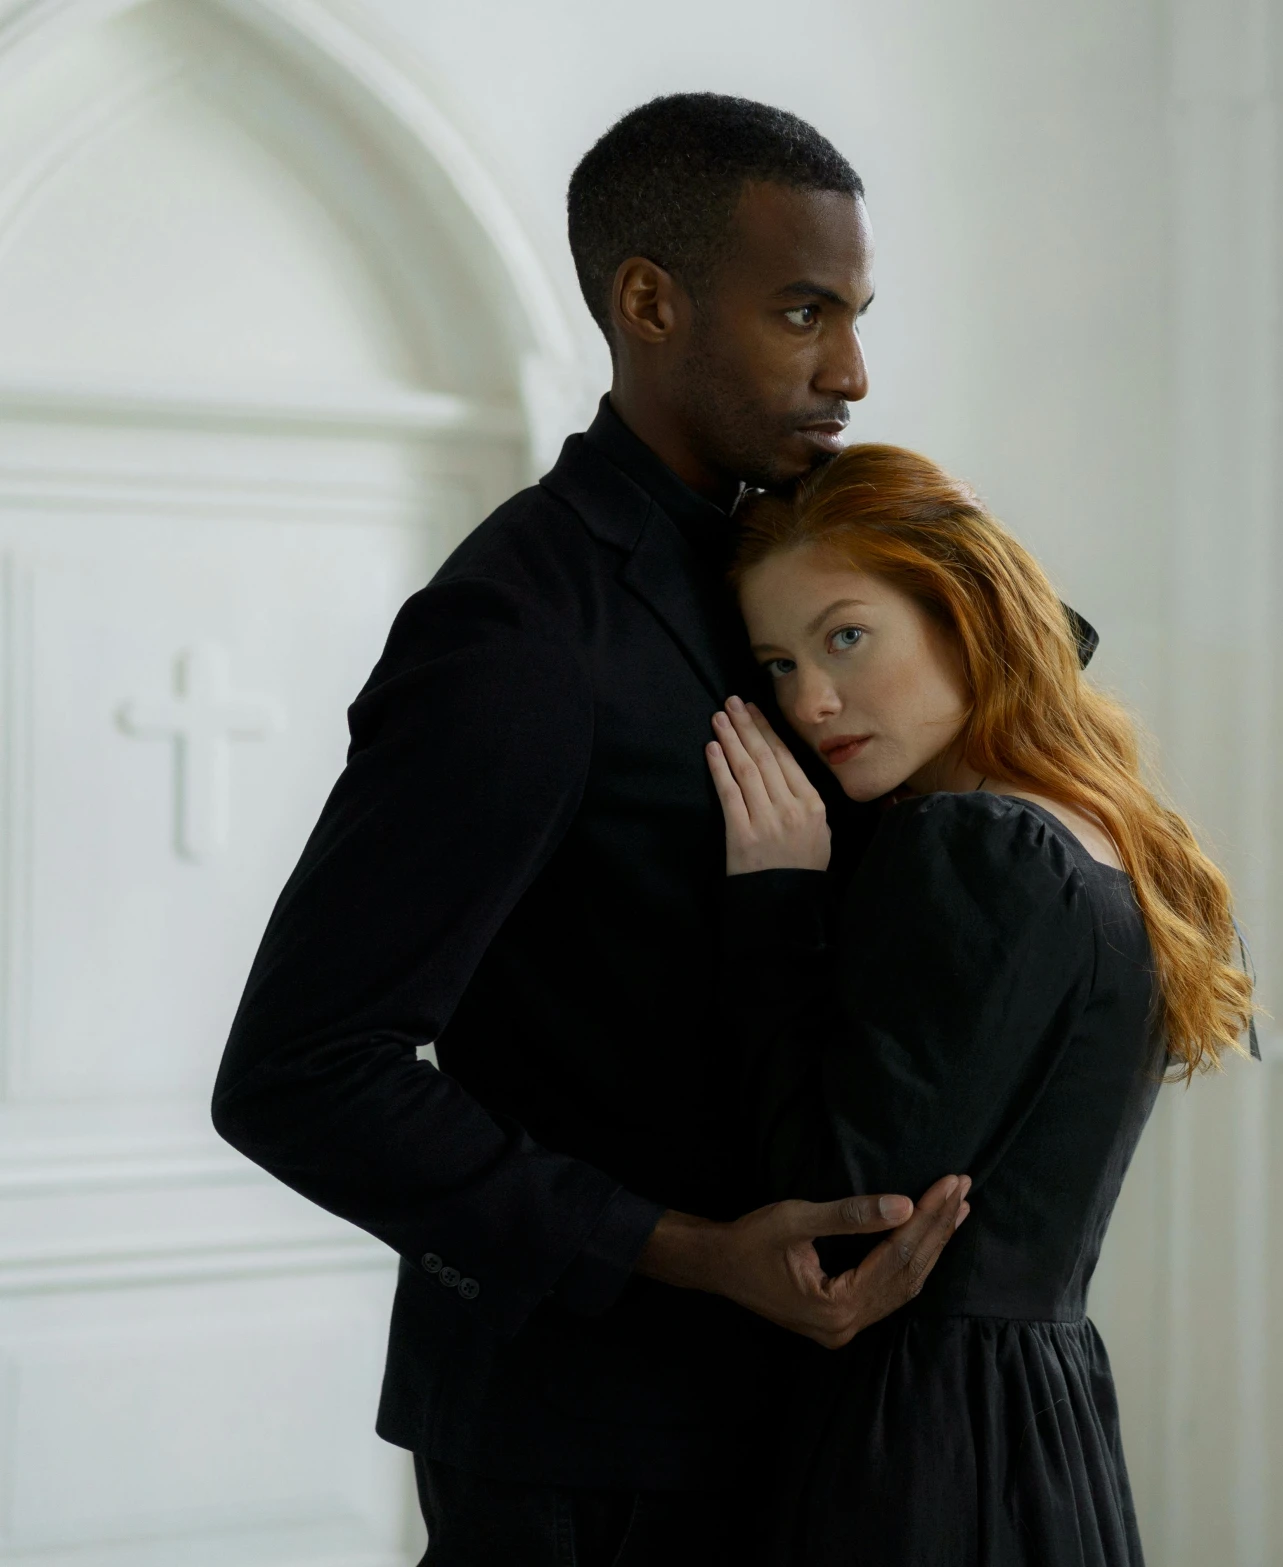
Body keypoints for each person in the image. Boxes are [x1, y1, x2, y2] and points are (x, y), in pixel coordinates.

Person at [210, 95, 977, 1562]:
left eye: (858, 314)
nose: (853, 370)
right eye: (803, 311)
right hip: (583, 1454)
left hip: (816, 1423)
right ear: (649, 300)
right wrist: (680, 1251)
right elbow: (302, 1072)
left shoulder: (812, 560)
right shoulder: (516, 633)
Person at [701, 444, 1255, 1565]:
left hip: (911, 1441)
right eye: (776, 663)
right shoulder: (1100, 834)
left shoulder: (973, 844)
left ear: (962, 618)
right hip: (1037, 1417)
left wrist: (772, 906)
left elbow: (835, 1210)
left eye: (845, 636)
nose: (810, 699)